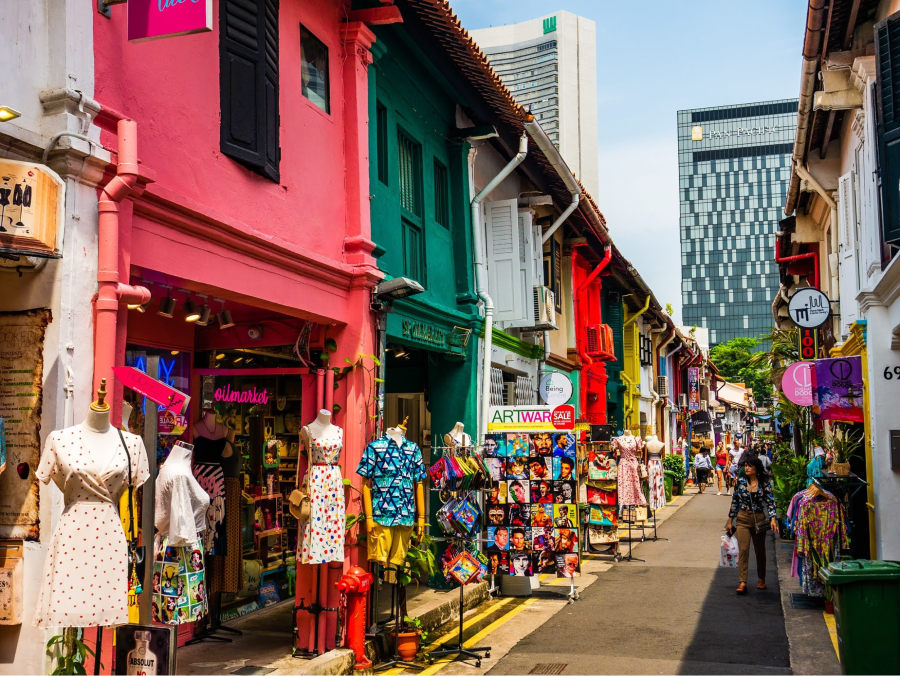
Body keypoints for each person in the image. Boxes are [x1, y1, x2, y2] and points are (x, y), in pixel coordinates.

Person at [725, 456, 778, 594]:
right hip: (742, 518)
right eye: (745, 466)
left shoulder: (764, 483)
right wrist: (730, 521)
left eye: (750, 466)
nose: (746, 468)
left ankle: (761, 578)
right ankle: (743, 582)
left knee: (760, 550)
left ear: (757, 468)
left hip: (759, 518)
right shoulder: (741, 482)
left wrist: (773, 518)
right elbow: (735, 502)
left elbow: (770, 501)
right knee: (743, 550)